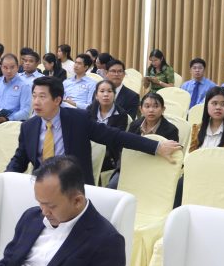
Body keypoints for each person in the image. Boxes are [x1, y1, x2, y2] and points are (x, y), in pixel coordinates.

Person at [11, 78, 179, 186]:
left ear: (57, 100)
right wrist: (2, 181)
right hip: (41, 186)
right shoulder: (28, 127)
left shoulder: (78, 120)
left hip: (73, 187)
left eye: (42, 97)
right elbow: (19, 161)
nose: (36, 102)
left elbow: (116, 136)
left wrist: (156, 146)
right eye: (34, 96)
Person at [106, 92, 180, 189]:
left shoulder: (171, 130)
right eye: (147, 106)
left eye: (156, 106)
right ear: (141, 109)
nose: (151, 110)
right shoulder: (135, 125)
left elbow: (170, 156)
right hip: (132, 166)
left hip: (155, 170)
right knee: (112, 186)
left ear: (163, 109)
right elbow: (125, 150)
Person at [87, 80, 129, 173]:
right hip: (89, 151)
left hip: (109, 155)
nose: (106, 94)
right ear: (96, 95)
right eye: (102, 91)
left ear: (114, 95)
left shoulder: (121, 114)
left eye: (109, 91)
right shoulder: (89, 110)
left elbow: (116, 139)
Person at [188, 86, 224, 153]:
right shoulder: (197, 128)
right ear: (207, 105)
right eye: (214, 103)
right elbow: (191, 155)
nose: (218, 107)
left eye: (223, 104)